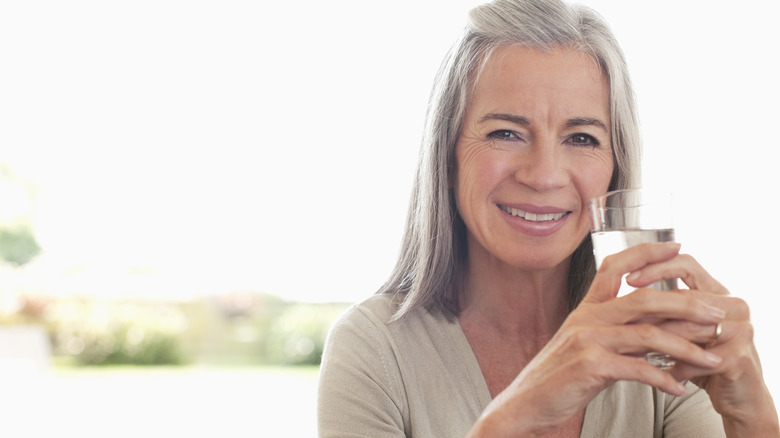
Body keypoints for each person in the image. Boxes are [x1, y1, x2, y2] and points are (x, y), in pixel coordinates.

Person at [317, 0, 780, 436]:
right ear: (447, 156)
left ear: (615, 167)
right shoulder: (375, 349)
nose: (543, 176)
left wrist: (750, 413)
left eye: (581, 138)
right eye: (505, 132)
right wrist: (515, 418)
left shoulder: (656, 343)